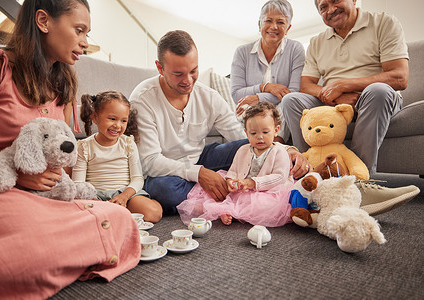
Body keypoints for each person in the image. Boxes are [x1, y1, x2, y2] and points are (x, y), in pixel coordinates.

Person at [0, 1, 140, 298]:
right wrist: (17, 173)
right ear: (43, 20)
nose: (85, 42)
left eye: (87, 33)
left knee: (120, 219)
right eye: (79, 30)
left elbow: (63, 162)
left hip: (40, 195)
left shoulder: (64, 84)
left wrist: (55, 184)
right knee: (36, 238)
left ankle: (49, 251)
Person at [130, 30, 310, 215]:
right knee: (163, 191)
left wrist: (287, 150)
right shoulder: (143, 98)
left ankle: (213, 196)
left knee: (249, 145)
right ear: (160, 68)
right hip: (165, 173)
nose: (188, 81)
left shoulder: (208, 96)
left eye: (193, 71)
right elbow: (151, 161)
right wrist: (199, 174)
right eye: (178, 74)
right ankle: (233, 197)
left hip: (202, 158)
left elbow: (243, 136)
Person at [282, 0, 420, 215]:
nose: (330, 10)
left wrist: (344, 85)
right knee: (291, 101)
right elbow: (306, 84)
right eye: (323, 7)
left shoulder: (383, 22)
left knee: (378, 91)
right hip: (332, 103)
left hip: (374, 98)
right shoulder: (318, 41)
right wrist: (332, 95)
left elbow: (400, 77)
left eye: (335, 1)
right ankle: (307, 178)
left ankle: (359, 186)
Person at [177, 102, 293, 227]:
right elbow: (233, 170)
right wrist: (230, 180)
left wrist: (253, 183)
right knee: (219, 192)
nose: (259, 137)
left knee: (264, 204)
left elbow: (279, 177)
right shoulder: (243, 150)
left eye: (265, 132)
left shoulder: (279, 151)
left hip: (267, 191)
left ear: (276, 130)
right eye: (253, 133)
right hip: (243, 188)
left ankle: (230, 211)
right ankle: (224, 210)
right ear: (246, 133)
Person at [72, 91, 163, 223]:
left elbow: (137, 179)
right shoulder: (84, 146)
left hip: (125, 193)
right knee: (81, 214)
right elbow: (78, 184)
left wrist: (124, 196)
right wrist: (101, 203)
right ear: (95, 117)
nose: (118, 125)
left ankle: (120, 211)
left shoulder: (128, 143)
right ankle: (117, 214)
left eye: (123, 120)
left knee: (153, 214)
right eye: (112, 119)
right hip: (95, 195)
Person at [231, 0, 305, 144]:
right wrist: (266, 87)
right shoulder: (242, 52)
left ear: (288, 27)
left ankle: (275, 147)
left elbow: (293, 92)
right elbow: (236, 94)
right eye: (268, 20)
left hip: (281, 108)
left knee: (287, 105)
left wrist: (257, 97)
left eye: (281, 22)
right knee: (246, 108)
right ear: (259, 24)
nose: (274, 27)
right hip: (252, 109)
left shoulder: (296, 49)